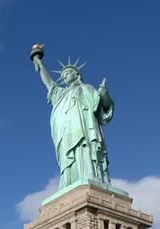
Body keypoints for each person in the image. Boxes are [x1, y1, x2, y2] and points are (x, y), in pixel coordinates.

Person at [32, 54, 114, 189]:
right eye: (63, 75)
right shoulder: (60, 93)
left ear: (77, 74)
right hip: (65, 132)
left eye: (68, 73)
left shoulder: (87, 88)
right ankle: (70, 182)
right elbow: (49, 83)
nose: (65, 76)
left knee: (84, 149)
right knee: (69, 156)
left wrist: (105, 95)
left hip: (85, 128)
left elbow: (103, 111)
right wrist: (40, 64)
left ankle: (91, 176)